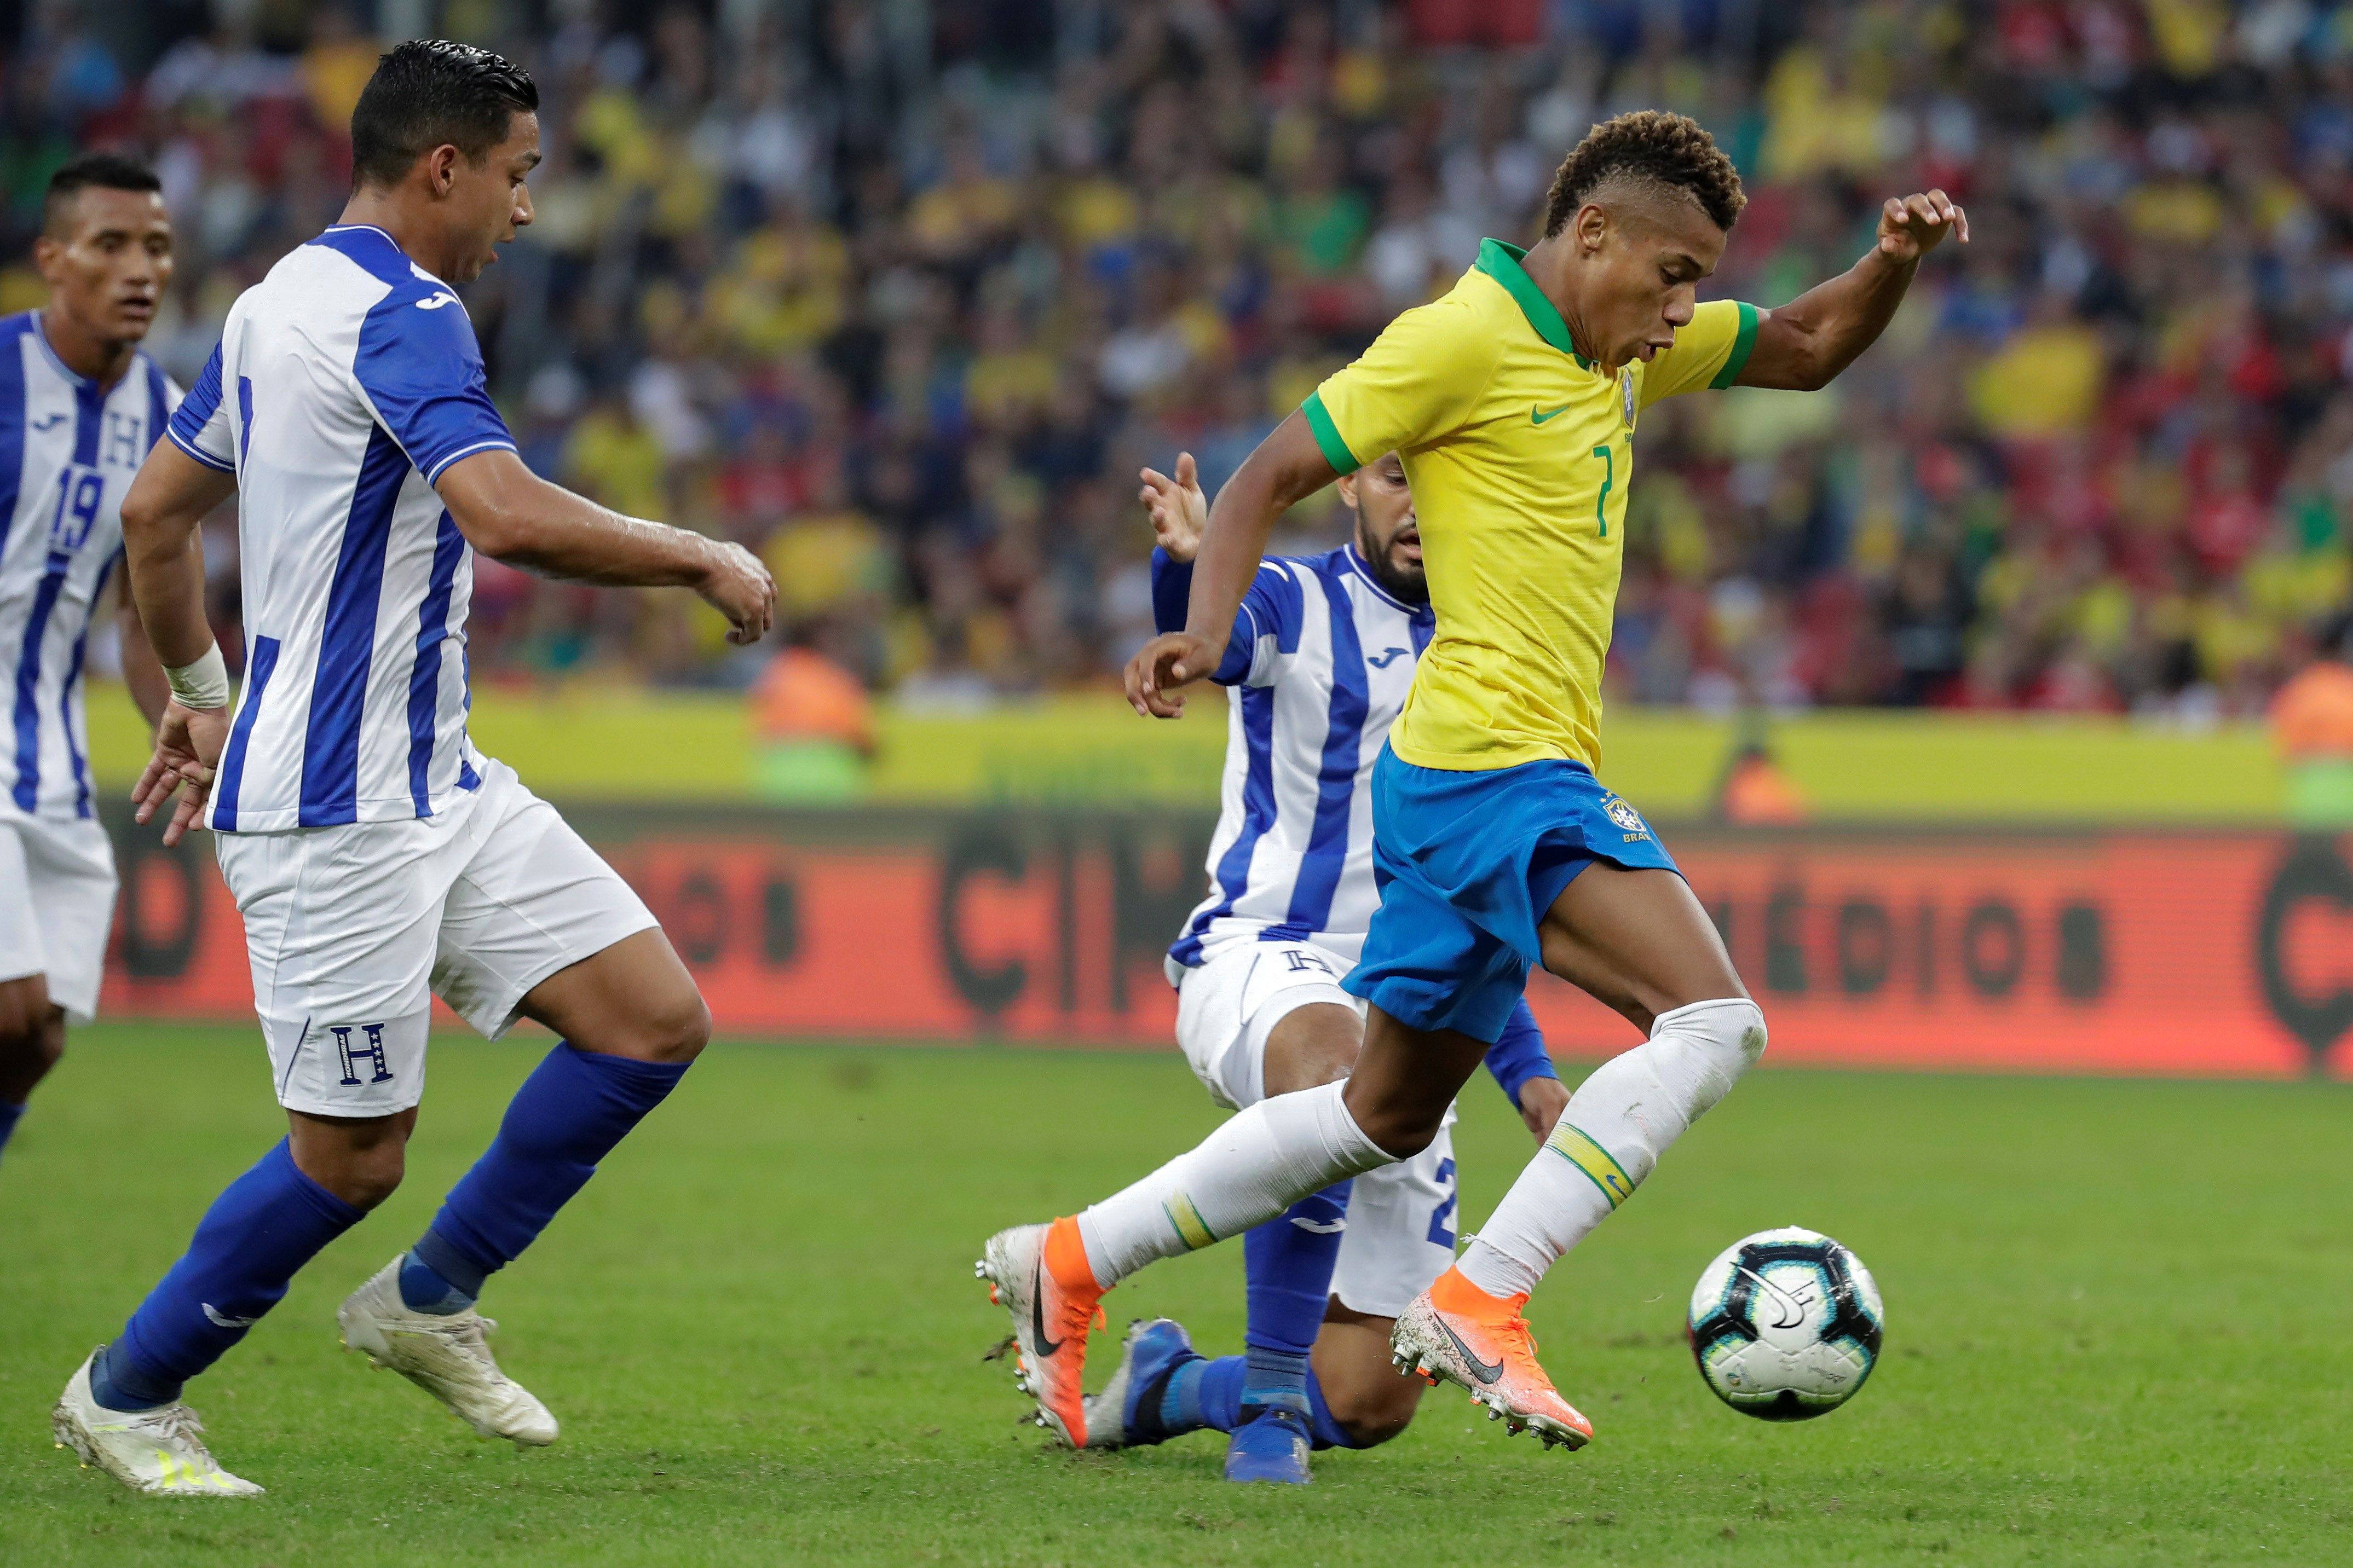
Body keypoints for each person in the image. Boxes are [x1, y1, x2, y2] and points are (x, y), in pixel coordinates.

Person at [983, 109, 1963, 1451]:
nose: (1685, 307)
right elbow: (1274, 468)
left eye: (1699, 280)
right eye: (1672, 274)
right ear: (1591, 233)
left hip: (1454, 783)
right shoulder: (1458, 339)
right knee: (1715, 1020)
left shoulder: (1624, 354)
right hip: (1497, 762)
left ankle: (1071, 1257)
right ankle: (1485, 1296)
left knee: (1376, 1117)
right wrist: (1207, 634)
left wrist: (1892, 259)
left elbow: (1799, 347)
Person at [50, 40, 776, 1497]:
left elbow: (155, 514)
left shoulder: (273, 304)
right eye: (516, 177)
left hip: (436, 780)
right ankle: (123, 1393)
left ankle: (427, 1299)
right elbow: (498, 517)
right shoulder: (405, 309)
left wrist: (203, 695)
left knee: (647, 1022)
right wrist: (696, 554)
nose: (524, 210)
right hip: (336, 815)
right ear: (443, 166)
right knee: (349, 1160)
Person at [1063, 450, 1567, 1483]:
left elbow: (1483, 894)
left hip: (1412, 1003)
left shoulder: (1500, 653)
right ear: (1348, 489)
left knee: (1373, 1398)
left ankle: (1176, 1383)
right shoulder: (1298, 596)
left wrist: (1527, 1072)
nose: (1420, 502)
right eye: (1394, 475)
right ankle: (1266, 1411)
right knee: (1333, 1086)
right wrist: (1192, 570)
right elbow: (1223, 635)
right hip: (1259, 953)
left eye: (1446, 478)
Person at [0, 153, 177, 1168]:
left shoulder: (170, 415)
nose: (139, 269)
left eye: (154, 246)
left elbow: (144, 610)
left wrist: (193, 715)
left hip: (54, 763)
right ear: (52, 259)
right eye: (110, 245)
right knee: (8, 1002)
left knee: (40, 1035)